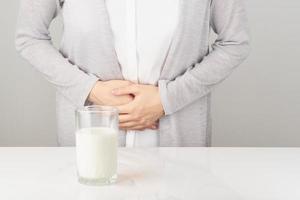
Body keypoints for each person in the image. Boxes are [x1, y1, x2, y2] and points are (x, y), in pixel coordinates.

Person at [15, 0, 250, 147]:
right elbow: (29, 37)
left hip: (180, 146)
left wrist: (166, 100)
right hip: (91, 147)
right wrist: (90, 90)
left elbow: (235, 42)